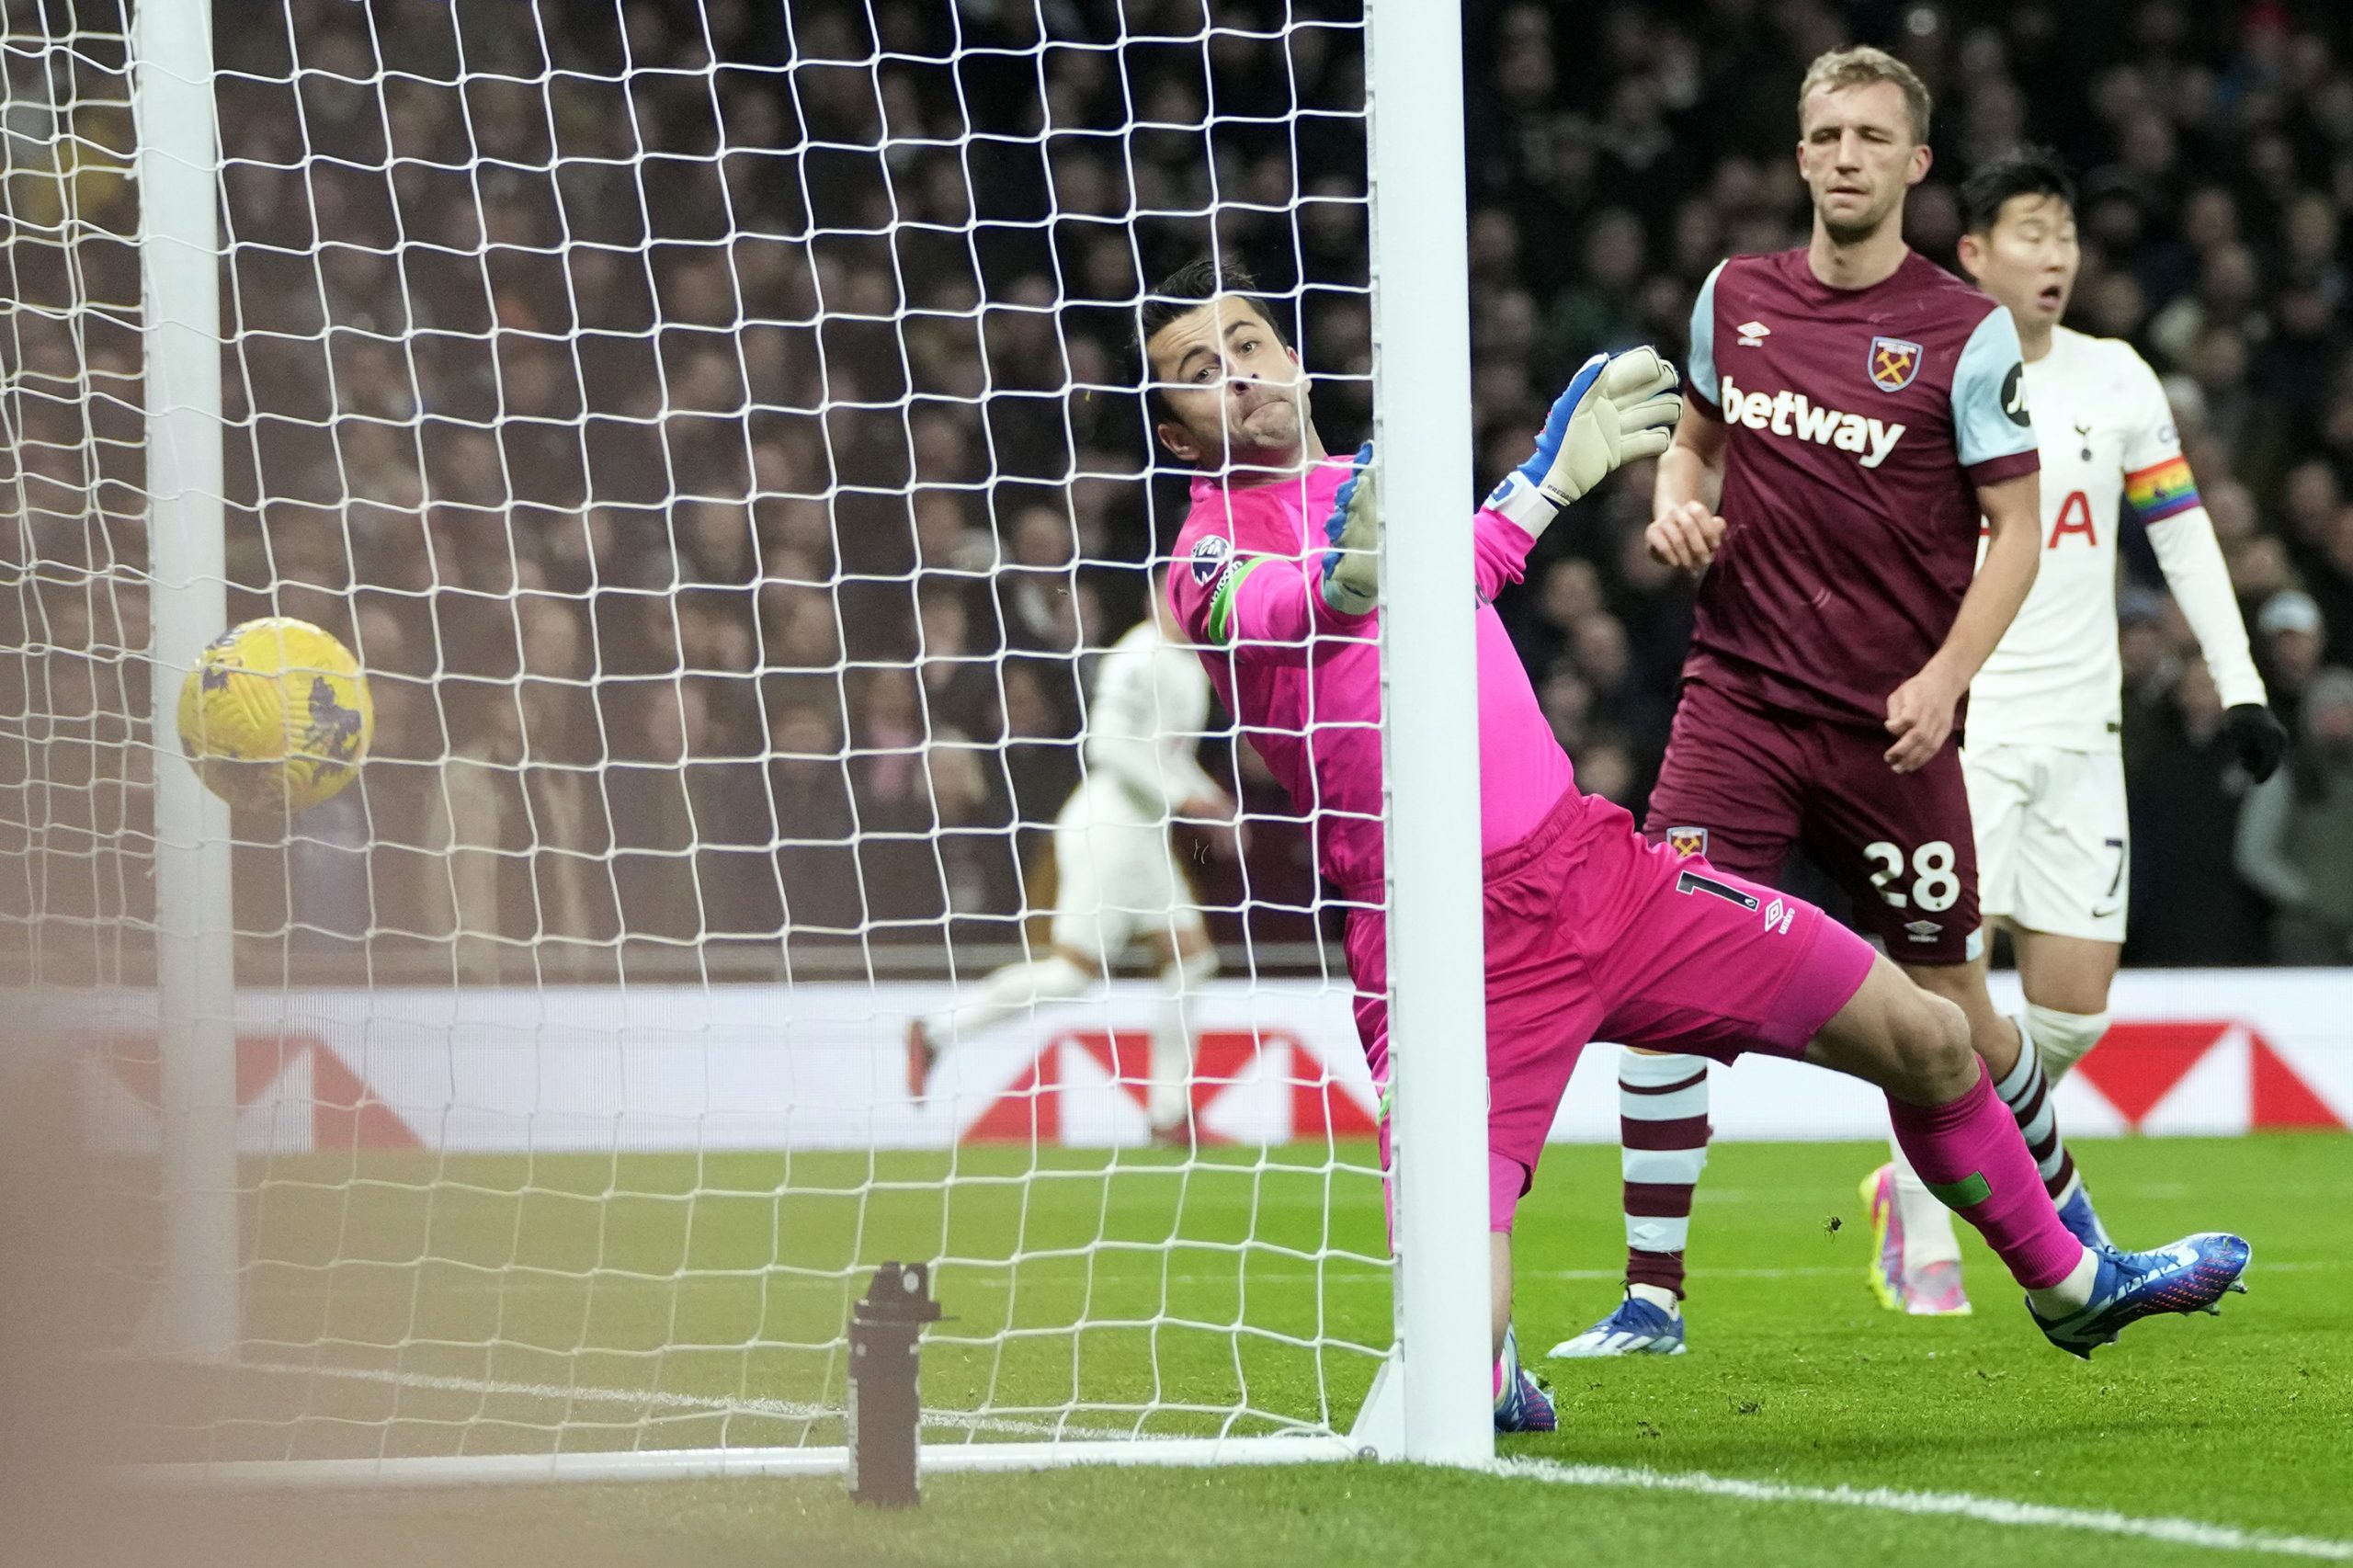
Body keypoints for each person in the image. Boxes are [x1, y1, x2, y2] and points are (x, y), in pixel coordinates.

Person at [1139, 256, 2247, 1430]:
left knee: (1926, 1036)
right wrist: (1493, 507)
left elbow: (1438, 577)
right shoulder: (1204, 556)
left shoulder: (1379, 491)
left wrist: (1522, 496)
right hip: (1450, 950)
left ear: (1295, 361)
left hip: (1598, 871)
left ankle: (2073, 1285)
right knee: (1455, 1372)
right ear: (1174, 432)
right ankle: (1496, 1360)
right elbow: (1296, 602)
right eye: (1197, 374)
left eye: (1248, 344)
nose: (1237, 376)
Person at [1560, 50, 2087, 1356]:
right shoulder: (1733, 298)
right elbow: (1694, 439)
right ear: (1799, 156)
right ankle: (1652, 1293)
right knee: (1658, 962)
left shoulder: (1961, 329)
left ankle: (2078, 1244)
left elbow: (2015, 529)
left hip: (1889, 723)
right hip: (1734, 699)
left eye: (1872, 138)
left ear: (1915, 165)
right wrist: (1680, 502)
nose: (1845, 156)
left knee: (1956, 1018)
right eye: (1824, 135)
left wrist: (1946, 677)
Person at [1844, 147, 2290, 1313]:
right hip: (1968, 724)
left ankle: (1939, 1153)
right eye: (2031, 235)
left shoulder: (2118, 378)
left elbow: (2184, 534)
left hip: (2085, 736)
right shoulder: (1928, 373)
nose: (2057, 258)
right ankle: (1921, 1194)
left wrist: (2236, 681)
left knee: (2073, 1011)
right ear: (1974, 253)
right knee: (1951, 986)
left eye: (2068, 236)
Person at [906, 566, 1238, 1143]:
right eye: (1174, 593)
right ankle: (935, 1031)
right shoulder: (1138, 656)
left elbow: (1164, 754)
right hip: (1109, 828)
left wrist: (1211, 800)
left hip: (1142, 832)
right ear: (1153, 598)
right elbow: (1106, 745)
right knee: (1073, 976)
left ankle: (1169, 1117)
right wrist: (1190, 798)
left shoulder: (1191, 668)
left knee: (1191, 960)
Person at [2235, 666, 2353, 963]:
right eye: (2328, 711)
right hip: (2305, 934)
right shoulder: (2287, 775)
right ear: (2310, 719)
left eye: (2345, 711)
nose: (2338, 721)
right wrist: (2308, 898)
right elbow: (2254, 854)